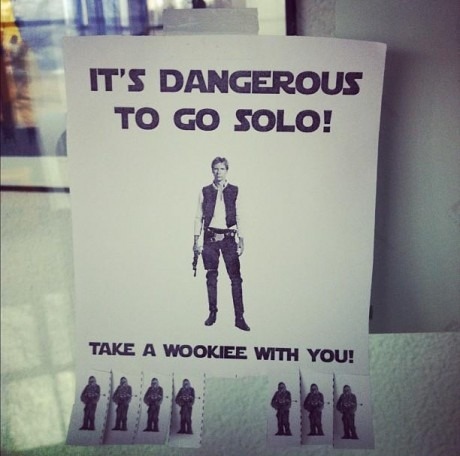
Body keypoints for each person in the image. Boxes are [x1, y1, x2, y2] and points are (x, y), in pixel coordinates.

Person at [193, 157, 250, 331]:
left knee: (236, 278)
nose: (218, 172)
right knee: (211, 276)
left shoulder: (235, 190)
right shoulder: (205, 191)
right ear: (212, 170)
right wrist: (196, 240)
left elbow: (240, 216)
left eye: (222, 169)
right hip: (210, 238)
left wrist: (241, 239)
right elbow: (198, 217)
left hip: (228, 239)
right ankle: (212, 313)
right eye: (216, 169)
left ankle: (239, 317)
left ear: (227, 170)